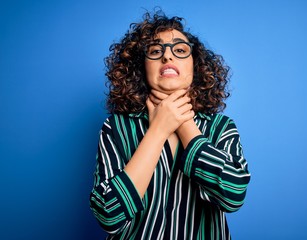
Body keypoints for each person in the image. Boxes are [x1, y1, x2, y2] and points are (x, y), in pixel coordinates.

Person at [89, 10, 250, 240]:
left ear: (196, 67)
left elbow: (233, 195)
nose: (167, 57)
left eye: (180, 50)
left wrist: (183, 122)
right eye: (155, 51)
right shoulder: (116, 128)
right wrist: (158, 130)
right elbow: (108, 215)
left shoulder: (221, 127)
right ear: (141, 68)